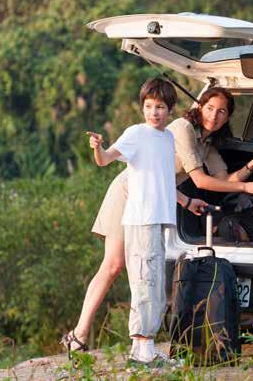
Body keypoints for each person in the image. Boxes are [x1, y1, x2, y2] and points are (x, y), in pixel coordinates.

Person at [61, 86, 253, 356]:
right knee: (115, 265)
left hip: (159, 197)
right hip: (131, 192)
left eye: (222, 111)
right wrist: (248, 188)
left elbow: (224, 181)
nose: (214, 115)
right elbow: (200, 180)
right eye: (210, 108)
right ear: (199, 106)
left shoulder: (206, 145)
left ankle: (127, 342)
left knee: (139, 270)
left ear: (228, 116)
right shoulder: (181, 129)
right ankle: (83, 335)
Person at [83, 77, 180, 364]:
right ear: (142, 108)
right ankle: (141, 351)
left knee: (155, 283)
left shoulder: (168, 137)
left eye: (160, 107)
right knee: (144, 281)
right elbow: (105, 160)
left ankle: (146, 347)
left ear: (170, 109)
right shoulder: (137, 133)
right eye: (149, 106)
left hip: (159, 219)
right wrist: (97, 148)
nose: (154, 112)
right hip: (141, 219)